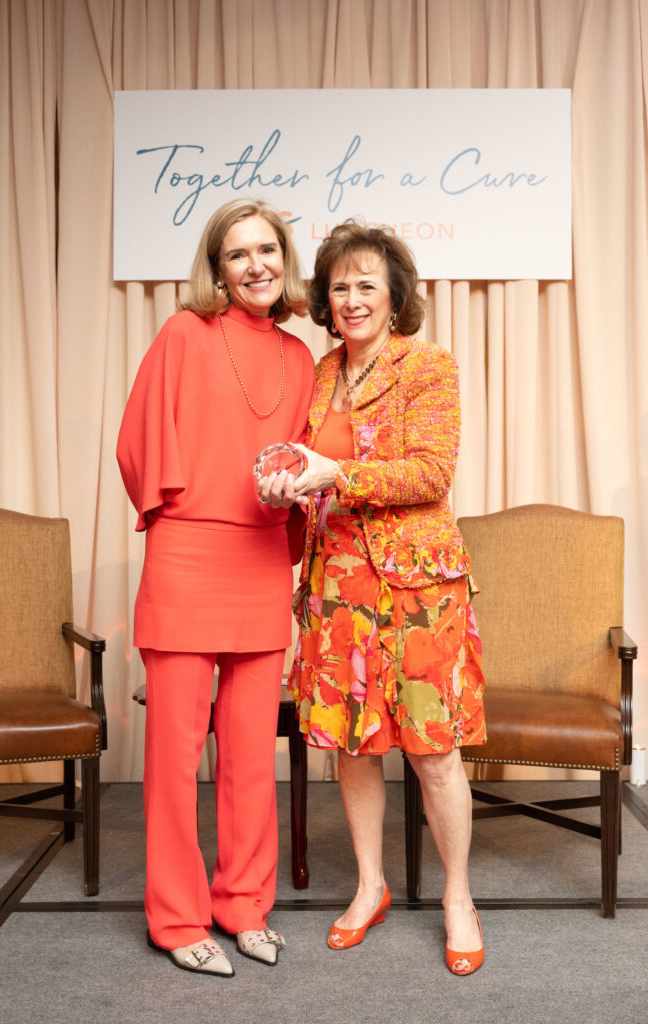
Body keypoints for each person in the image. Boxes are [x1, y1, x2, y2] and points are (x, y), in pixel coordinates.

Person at [258, 220, 487, 975]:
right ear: (324, 299)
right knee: (350, 747)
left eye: (365, 285)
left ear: (394, 297)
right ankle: (369, 885)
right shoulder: (318, 373)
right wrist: (285, 484)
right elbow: (307, 466)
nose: (350, 298)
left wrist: (334, 476)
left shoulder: (428, 367)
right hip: (334, 588)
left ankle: (457, 896)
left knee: (433, 751)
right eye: (339, 286)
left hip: (417, 589)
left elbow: (429, 474)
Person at [117, 198, 315, 976]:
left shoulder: (301, 359)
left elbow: (302, 465)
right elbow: (138, 438)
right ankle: (174, 917)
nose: (256, 264)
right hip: (188, 556)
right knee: (172, 757)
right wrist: (175, 511)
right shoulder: (183, 334)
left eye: (267, 249)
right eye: (238, 254)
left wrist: (297, 504)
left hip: (262, 561)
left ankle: (243, 905)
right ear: (217, 267)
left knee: (246, 756)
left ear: (283, 260)